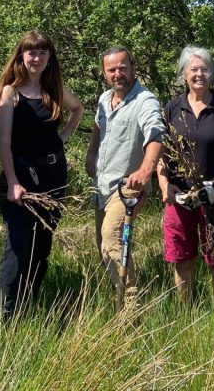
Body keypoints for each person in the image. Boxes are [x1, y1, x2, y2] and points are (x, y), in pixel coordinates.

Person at [0, 30, 84, 319]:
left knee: (43, 243)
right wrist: (12, 182)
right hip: (21, 176)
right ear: (21, 56)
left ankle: (28, 305)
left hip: (53, 175)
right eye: (32, 52)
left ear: (49, 57)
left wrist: (63, 137)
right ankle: (5, 315)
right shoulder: (11, 92)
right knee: (18, 245)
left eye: (43, 52)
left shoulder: (52, 89)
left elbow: (78, 108)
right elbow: (3, 143)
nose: (37, 57)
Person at [157, 45, 214, 304]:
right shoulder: (171, 109)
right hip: (179, 197)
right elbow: (161, 154)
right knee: (181, 257)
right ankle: (186, 312)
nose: (199, 74)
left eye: (205, 69)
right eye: (194, 69)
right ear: (184, 74)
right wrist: (164, 186)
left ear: (211, 73)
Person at [86, 46, 164, 308]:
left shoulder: (145, 100)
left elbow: (155, 133)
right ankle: (119, 298)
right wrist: (90, 154)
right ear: (104, 73)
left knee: (111, 238)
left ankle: (131, 308)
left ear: (132, 68)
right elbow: (98, 124)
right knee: (103, 247)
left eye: (122, 67)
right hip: (102, 186)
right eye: (111, 69)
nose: (117, 73)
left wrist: (145, 170)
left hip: (127, 186)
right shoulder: (104, 99)